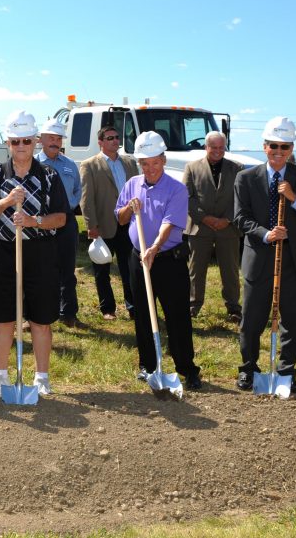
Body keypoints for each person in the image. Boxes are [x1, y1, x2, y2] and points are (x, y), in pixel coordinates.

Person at [234, 116, 296, 394]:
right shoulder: (246, 178)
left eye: (284, 147)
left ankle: (286, 372)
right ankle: (249, 369)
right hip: (259, 259)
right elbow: (240, 218)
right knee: (251, 320)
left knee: (290, 321)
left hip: (293, 261)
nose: (278, 151)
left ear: (291, 149)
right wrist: (266, 233)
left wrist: (295, 199)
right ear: (264, 146)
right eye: (273, 145)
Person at [0, 111, 67, 397]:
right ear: (8, 142)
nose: (21, 146)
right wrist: (6, 201)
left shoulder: (50, 176)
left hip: (40, 253)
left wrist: (33, 221)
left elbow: (62, 218)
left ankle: (41, 377)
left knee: (40, 319)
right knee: (3, 318)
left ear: (36, 142)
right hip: (3, 252)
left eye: (26, 140)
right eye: (15, 141)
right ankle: (0, 377)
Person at [115, 131, 202, 390]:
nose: (150, 168)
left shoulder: (176, 189)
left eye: (155, 162)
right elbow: (119, 218)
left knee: (176, 315)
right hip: (138, 257)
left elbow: (169, 224)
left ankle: (187, 368)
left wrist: (153, 248)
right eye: (145, 163)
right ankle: (148, 366)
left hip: (167, 259)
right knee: (142, 312)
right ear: (139, 163)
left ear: (163, 160)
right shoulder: (132, 184)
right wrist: (129, 208)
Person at [182, 131, 243, 322]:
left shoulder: (237, 168)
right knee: (196, 270)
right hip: (200, 228)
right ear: (206, 147)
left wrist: (227, 219)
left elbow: (241, 199)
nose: (217, 151)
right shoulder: (191, 167)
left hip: (228, 228)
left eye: (221, 147)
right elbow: (187, 197)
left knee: (230, 270)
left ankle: (233, 307)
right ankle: (193, 305)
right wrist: (205, 218)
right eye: (213, 147)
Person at [79, 125, 138, 320]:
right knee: (102, 269)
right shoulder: (89, 165)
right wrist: (91, 225)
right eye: (110, 137)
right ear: (101, 142)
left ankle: (133, 306)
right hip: (103, 225)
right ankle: (108, 309)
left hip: (128, 224)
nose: (115, 140)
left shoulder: (129, 163)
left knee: (129, 267)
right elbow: (86, 198)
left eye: (116, 137)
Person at [35, 119, 83, 328]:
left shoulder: (70, 165)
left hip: (67, 223)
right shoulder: (33, 163)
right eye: (51, 138)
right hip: (39, 223)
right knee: (38, 269)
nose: (55, 142)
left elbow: (77, 191)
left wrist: (68, 206)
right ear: (41, 140)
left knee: (67, 269)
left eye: (58, 138)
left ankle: (68, 313)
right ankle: (35, 314)